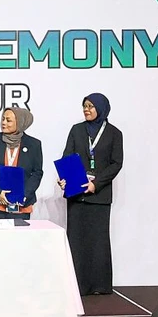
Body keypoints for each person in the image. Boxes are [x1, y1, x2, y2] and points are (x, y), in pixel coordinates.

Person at [59, 93, 123, 295]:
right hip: (77, 193)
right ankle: (77, 285)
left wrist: (96, 184)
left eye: (90, 106)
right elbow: (67, 156)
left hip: (99, 195)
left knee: (98, 241)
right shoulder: (77, 130)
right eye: (84, 106)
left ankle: (100, 285)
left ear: (102, 108)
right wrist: (64, 178)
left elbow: (116, 163)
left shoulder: (114, 133)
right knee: (76, 239)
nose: (86, 109)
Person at [0, 107, 43, 219]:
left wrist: (24, 195)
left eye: (8, 120)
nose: (3, 123)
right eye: (3, 119)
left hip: (21, 205)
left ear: (19, 123)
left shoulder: (34, 144)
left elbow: (37, 173)